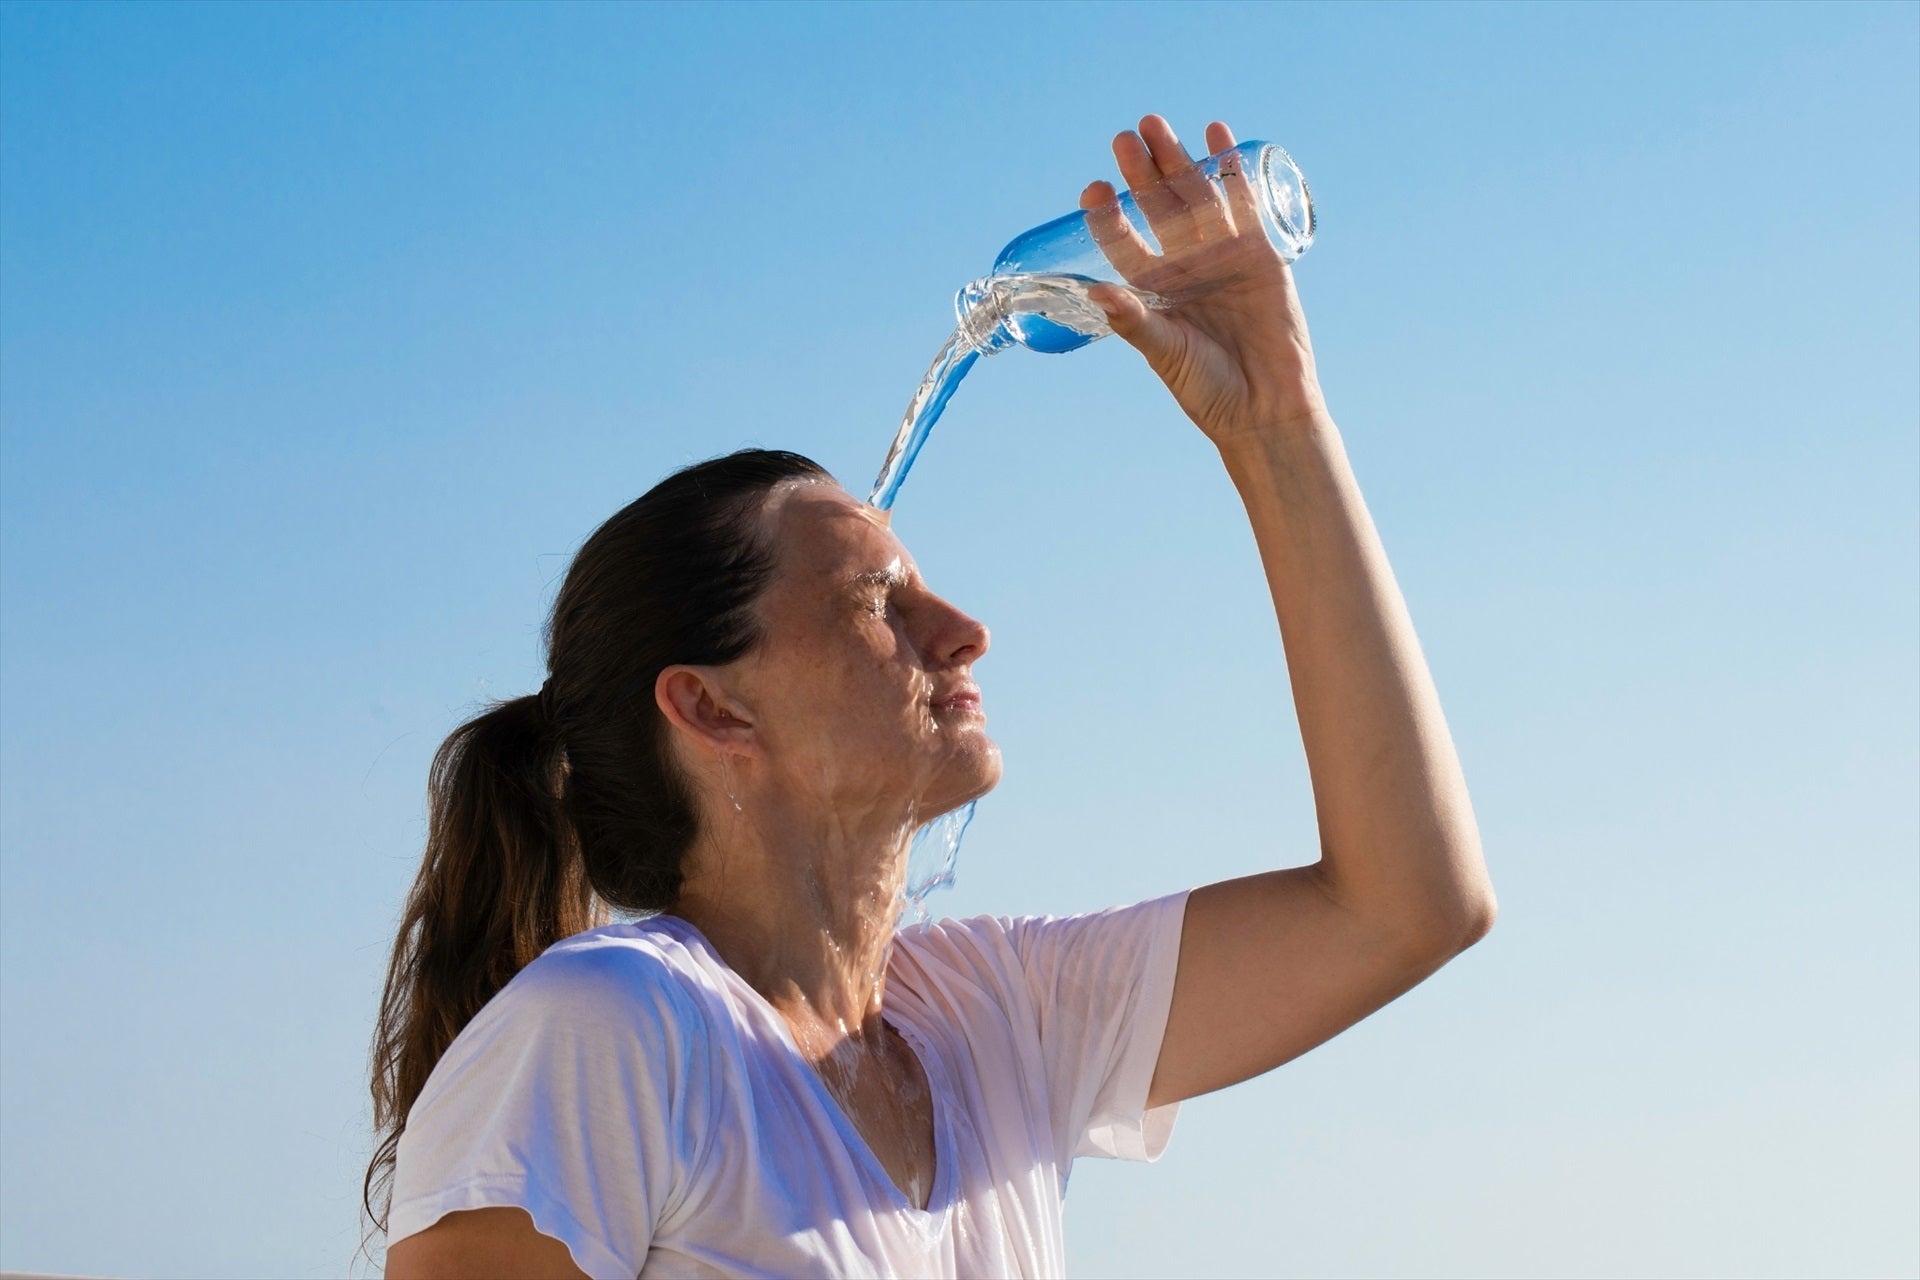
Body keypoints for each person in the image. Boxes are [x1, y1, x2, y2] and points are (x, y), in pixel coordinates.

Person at [367, 114, 1496, 1279]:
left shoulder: (991, 1017)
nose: (963, 631)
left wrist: (1277, 426)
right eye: (876, 603)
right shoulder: (614, 1026)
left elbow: (1410, 904)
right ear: (712, 708)